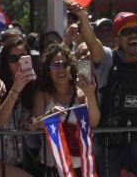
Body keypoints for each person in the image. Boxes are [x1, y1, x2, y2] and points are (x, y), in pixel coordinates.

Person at [75, 2, 137, 177]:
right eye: (126, 32)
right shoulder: (108, 58)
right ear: (117, 39)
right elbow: (92, 43)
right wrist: (82, 17)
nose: (134, 35)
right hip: (107, 140)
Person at [32, 43, 99, 175]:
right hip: (53, 167)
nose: (60, 69)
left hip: (82, 167)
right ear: (48, 70)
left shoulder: (82, 92)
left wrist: (90, 94)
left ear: (71, 68)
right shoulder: (42, 94)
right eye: (55, 65)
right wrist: (51, 115)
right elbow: (33, 124)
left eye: (65, 65)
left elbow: (94, 122)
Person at [0, 37, 36, 177]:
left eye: (23, 57)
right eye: (13, 58)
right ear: (5, 62)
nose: (19, 62)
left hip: (17, 159)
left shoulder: (32, 83)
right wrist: (16, 88)